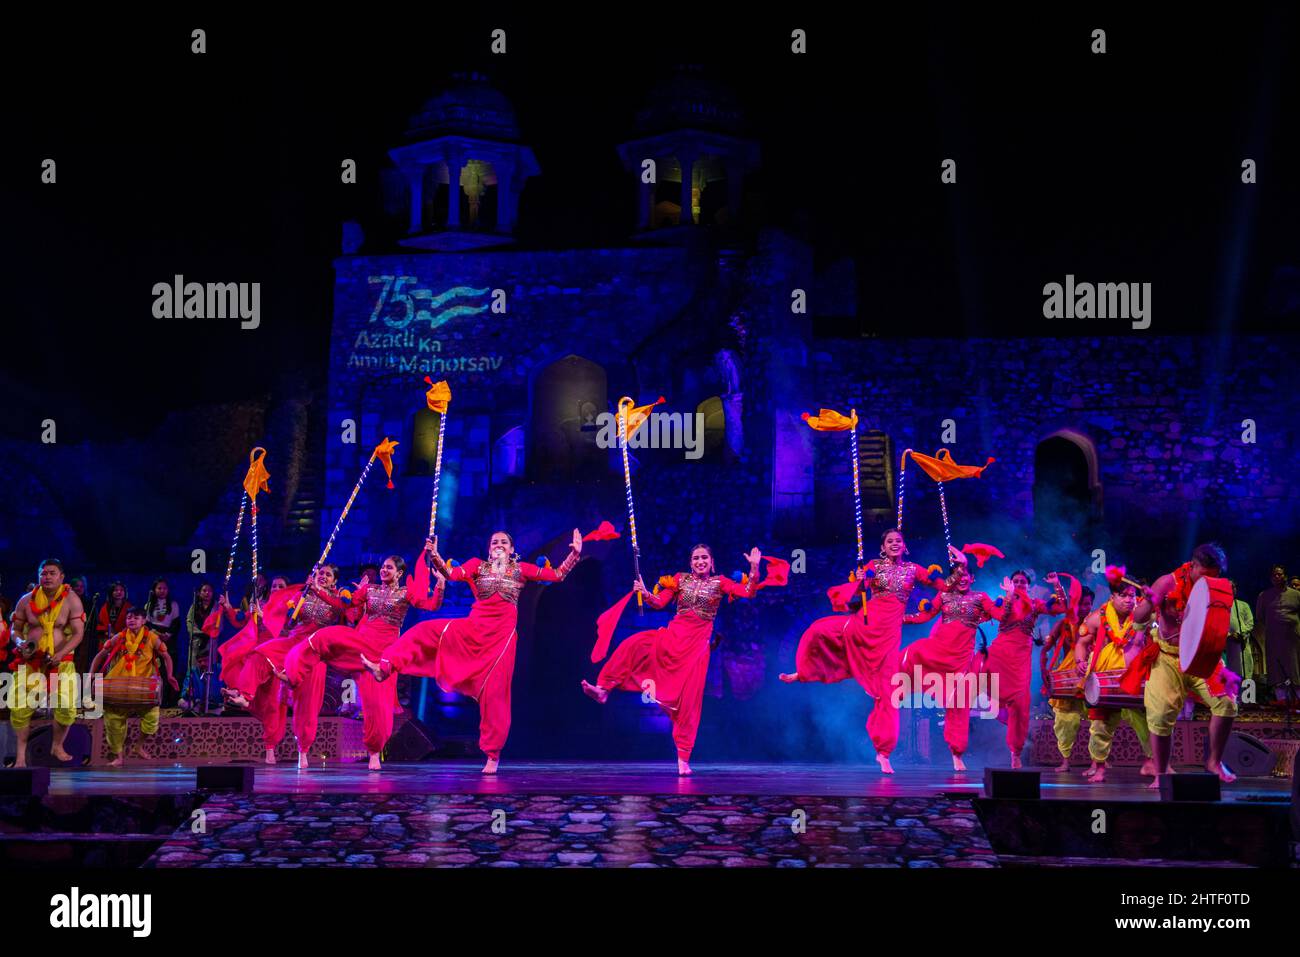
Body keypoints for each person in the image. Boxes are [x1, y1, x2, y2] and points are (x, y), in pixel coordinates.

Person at [362, 530, 583, 774]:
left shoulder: (521, 570)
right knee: (423, 630)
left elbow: (558, 575)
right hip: (472, 630)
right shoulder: (477, 566)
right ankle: (385, 667)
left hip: (500, 642)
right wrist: (435, 555)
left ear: (511, 549)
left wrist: (574, 554)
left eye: (504, 542)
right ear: (489, 549)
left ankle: (492, 755)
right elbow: (453, 573)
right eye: (494, 542)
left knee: (495, 697)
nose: (499, 545)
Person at [581, 543, 771, 775]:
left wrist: (754, 569)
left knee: (689, 702)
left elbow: (749, 592)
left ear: (712, 562)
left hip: (696, 648)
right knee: (633, 644)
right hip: (672, 638)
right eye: (695, 558)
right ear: (690, 563)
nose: (700, 561)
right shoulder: (679, 580)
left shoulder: (721, 583)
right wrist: (645, 592)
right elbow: (659, 603)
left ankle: (683, 759)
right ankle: (604, 689)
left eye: (704, 558)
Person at [779, 529, 954, 773]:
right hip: (865, 623)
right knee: (819, 630)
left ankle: (883, 753)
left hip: (889, 637)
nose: (894, 544)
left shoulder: (914, 570)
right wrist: (860, 578)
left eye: (898, 541)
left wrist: (959, 569)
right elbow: (857, 592)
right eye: (889, 541)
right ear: (883, 546)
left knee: (887, 692)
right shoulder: (873, 565)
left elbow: (944, 587)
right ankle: (804, 672)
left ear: (904, 546)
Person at [282, 550, 443, 770]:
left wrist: (441, 585)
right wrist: (321, 591)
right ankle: (293, 672)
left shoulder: (406, 594)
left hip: (383, 655)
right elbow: (342, 606)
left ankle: (375, 752)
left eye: (389, 567)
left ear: (400, 573)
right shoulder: (369, 589)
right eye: (383, 567)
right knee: (324, 637)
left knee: (376, 705)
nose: (384, 570)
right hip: (361, 643)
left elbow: (431, 605)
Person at [225, 565, 356, 766]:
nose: (323, 576)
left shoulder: (341, 594)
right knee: (261, 653)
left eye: (328, 575)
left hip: (314, 652)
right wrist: (276, 611)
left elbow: (343, 609)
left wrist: (318, 592)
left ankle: (303, 750)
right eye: (320, 573)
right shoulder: (302, 594)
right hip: (293, 643)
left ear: (334, 581)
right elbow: (287, 622)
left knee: (307, 704)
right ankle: (245, 695)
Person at [1131, 543, 1240, 786]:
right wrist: (1150, 603)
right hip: (1169, 656)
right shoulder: (1167, 583)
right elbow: (1137, 618)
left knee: (1227, 702)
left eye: (1215, 576)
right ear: (1192, 566)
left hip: (1203, 656)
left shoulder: (1218, 588)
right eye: (1205, 575)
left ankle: (1214, 761)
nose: (1209, 581)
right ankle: (1160, 773)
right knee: (1160, 714)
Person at [901, 554, 1007, 771]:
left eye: (967, 575)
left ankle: (956, 753)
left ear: (972, 578)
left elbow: (1000, 615)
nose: (963, 579)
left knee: (958, 704)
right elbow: (925, 616)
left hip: (961, 658)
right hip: (939, 650)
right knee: (913, 652)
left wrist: (1011, 597)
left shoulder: (980, 597)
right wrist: (901, 618)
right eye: (959, 575)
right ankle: (881, 684)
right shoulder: (944, 595)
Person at [978, 569, 1068, 768]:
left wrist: (1056, 585)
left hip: (1021, 658)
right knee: (980, 669)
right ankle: (992, 702)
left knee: (1020, 704)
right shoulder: (1001, 600)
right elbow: (1001, 617)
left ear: (1028, 585)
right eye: (1015, 581)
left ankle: (1015, 751)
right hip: (1001, 651)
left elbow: (1062, 607)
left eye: (1022, 582)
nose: (1019, 584)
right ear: (1009, 584)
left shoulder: (1035, 604)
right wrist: (1009, 596)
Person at [7, 559, 86, 767]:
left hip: (61, 662)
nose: (47, 577)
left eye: (52, 573)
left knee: (67, 707)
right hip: (31, 662)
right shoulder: (25, 601)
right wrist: (20, 641)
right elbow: (15, 630)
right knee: (20, 707)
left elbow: (79, 634)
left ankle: (57, 745)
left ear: (61, 576)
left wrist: (61, 653)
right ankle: (21, 756)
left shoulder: (71, 600)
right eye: (43, 573)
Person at [1073, 580, 1154, 782]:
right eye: (1123, 595)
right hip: (1105, 677)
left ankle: (1150, 762)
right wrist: (1080, 661)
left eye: (1132, 596)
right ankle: (1099, 768)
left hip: (1135, 676)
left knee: (1146, 721)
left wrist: (1153, 599)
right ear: (1112, 597)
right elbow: (1081, 643)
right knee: (1100, 724)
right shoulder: (1098, 617)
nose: (1129, 600)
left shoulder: (1143, 613)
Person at [89, 606, 179, 766]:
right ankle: (119, 756)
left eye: (136, 617)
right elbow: (100, 655)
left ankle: (139, 746)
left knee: (152, 719)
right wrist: (91, 674)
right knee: (113, 721)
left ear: (144, 620)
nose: (131, 620)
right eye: (129, 617)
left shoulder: (152, 637)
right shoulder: (120, 637)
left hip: (143, 687)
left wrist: (170, 676)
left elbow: (166, 656)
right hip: (118, 685)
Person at [1041, 585, 1094, 771]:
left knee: (1099, 719)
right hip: (1069, 677)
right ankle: (1065, 760)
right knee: (1065, 721)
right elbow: (1049, 643)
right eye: (1081, 604)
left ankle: (1099, 761)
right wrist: (1045, 645)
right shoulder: (1064, 623)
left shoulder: (1096, 623)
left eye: (1088, 604)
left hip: (1091, 673)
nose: (1085, 608)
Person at [1254, 565, 1299, 705]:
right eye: (1274, 575)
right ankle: (1281, 700)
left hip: (1293, 638)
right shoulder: (1264, 595)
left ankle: (1298, 699)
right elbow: (1260, 617)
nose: (1277, 577)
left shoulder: (1296, 595)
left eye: (1280, 574)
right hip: (1274, 637)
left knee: (1295, 667)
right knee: (1276, 667)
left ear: (1285, 576)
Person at [179, 581, 221, 712]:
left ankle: (210, 699)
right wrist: (199, 633)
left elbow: (219, 624)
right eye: (204, 590)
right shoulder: (194, 606)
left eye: (209, 591)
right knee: (193, 669)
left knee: (209, 669)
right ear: (199, 592)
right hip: (197, 641)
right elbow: (189, 622)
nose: (206, 593)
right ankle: (191, 697)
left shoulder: (216, 606)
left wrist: (209, 634)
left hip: (211, 641)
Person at [1225, 581, 1256, 694]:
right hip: (1228, 644)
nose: (1231, 589)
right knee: (1232, 670)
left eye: (1233, 587)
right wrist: (1229, 635)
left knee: (1246, 668)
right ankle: (1233, 698)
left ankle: (1247, 699)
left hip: (1243, 641)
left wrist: (1240, 634)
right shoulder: (1221, 606)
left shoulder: (1243, 605)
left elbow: (1250, 623)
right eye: (1228, 587)